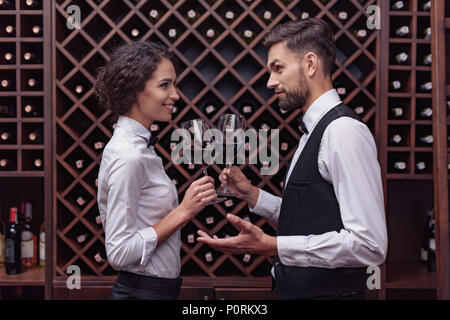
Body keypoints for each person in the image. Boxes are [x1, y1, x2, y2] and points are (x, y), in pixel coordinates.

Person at [197, 18, 388, 300]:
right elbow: (311, 215)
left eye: (278, 68)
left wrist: (274, 245)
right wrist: (253, 195)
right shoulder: (312, 130)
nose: (270, 82)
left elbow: (369, 244)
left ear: (310, 64)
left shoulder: (343, 132)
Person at [95, 42, 217, 300]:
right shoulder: (129, 155)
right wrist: (184, 211)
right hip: (140, 293)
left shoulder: (140, 147)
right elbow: (118, 253)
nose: (176, 94)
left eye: (174, 84)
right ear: (134, 90)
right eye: (165, 85)